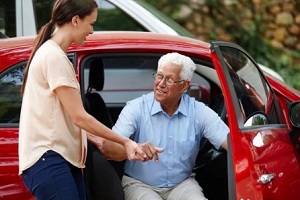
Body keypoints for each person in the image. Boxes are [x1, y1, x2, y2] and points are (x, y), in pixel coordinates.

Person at [18, 1, 148, 199]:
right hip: (49, 159)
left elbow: (63, 114)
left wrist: (93, 137)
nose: (92, 31)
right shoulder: (53, 57)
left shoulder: (53, 54)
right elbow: (79, 117)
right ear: (76, 20)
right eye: (91, 23)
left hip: (56, 159)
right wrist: (125, 141)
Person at [91, 52, 229, 200]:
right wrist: (135, 148)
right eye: (159, 76)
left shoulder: (199, 111)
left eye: (169, 79)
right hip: (139, 184)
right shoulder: (136, 108)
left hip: (182, 184)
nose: (160, 84)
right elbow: (108, 149)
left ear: (184, 85)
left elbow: (234, 144)